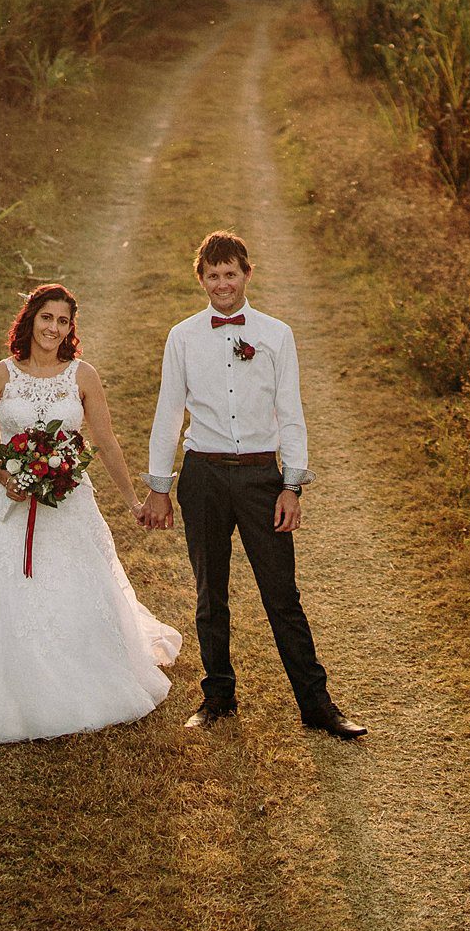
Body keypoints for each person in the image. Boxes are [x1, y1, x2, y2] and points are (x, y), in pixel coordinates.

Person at [0, 283, 182, 743]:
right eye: (46, 318)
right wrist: (6, 477)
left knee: (76, 582)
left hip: (70, 503)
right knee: (2, 587)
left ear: (71, 328)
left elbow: (105, 441)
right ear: (30, 320)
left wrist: (133, 499)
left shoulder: (82, 375)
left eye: (63, 321)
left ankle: (83, 673)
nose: (53, 328)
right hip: (7, 506)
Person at [144, 230, 366, 739]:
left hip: (263, 477)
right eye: (213, 275)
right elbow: (168, 413)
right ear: (200, 279)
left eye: (231, 274)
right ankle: (218, 696)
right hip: (203, 475)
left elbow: (291, 414)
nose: (223, 284)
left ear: (247, 274)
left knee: (281, 593)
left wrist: (292, 485)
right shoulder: (182, 336)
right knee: (209, 592)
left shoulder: (275, 334)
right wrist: (160, 485)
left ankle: (317, 706)